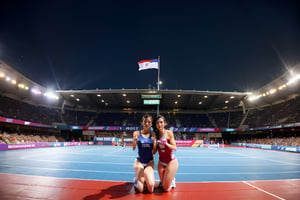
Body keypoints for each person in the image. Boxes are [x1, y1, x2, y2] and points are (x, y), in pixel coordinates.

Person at [152, 115, 178, 192]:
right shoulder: (155, 134)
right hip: (161, 162)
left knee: (166, 188)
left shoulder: (169, 133)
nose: (159, 124)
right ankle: (167, 181)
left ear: (164, 123)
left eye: (161, 122)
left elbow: (175, 148)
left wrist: (166, 143)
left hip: (171, 161)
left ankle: (172, 180)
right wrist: (155, 142)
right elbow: (154, 152)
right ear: (155, 125)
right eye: (157, 123)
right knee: (163, 185)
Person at [132, 114, 155, 193]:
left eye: (149, 122)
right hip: (139, 161)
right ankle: (137, 180)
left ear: (151, 124)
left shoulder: (153, 134)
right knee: (140, 189)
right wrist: (135, 140)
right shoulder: (137, 133)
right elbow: (133, 148)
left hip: (149, 162)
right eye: (145, 122)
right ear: (142, 122)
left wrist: (155, 142)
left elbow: (154, 151)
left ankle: (145, 178)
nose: (147, 123)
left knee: (151, 188)